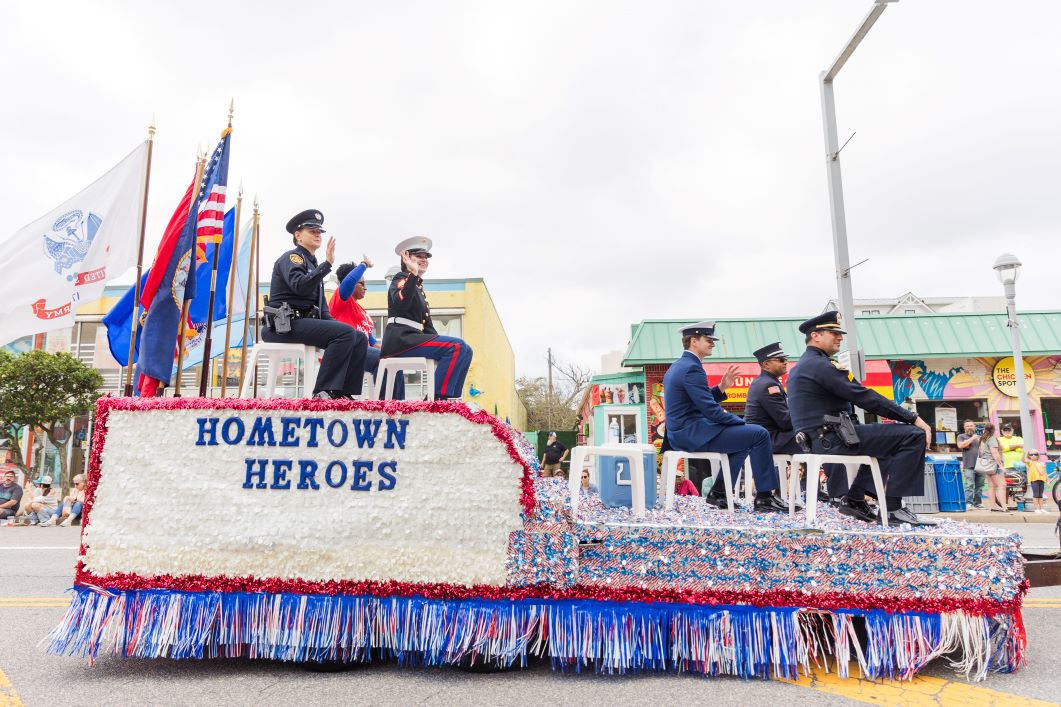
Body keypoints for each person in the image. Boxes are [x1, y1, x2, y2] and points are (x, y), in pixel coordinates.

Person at [786, 312, 933, 526]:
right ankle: (893, 508)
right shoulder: (822, 366)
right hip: (833, 439)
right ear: (815, 336)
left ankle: (855, 499)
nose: (839, 337)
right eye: (833, 333)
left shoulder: (802, 366)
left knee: (886, 443)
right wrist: (912, 418)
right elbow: (865, 396)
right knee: (913, 435)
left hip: (818, 440)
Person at [662, 321, 787, 513]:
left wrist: (721, 388)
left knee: (744, 440)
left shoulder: (679, 366)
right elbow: (710, 410)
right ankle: (764, 496)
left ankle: (719, 492)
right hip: (690, 434)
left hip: (682, 434)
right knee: (759, 434)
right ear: (693, 341)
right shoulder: (692, 368)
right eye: (708, 339)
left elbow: (694, 401)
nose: (713, 343)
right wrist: (741, 423)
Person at [261, 209, 368, 399]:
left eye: (319, 231)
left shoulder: (312, 264)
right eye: (312, 231)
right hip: (283, 325)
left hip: (300, 324)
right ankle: (323, 391)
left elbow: (323, 310)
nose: (317, 234)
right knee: (345, 334)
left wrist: (338, 326)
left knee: (357, 336)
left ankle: (343, 392)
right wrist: (327, 264)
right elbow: (300, 286)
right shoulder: (292, 258)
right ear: (298, 235)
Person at [744, 341, 845, 501]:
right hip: (769, 439)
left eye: (786, 359)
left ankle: (815, 491)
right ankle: (837, 494)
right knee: (823, 439)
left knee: (812, 437)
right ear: (766, 364)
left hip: (770, 437)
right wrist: (809, 414)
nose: (786, 363)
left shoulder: (769, 382)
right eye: (781, 360)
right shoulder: (768, 386)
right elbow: (785, 421)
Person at [380, 237, 473, 400]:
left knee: (465, 349)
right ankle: (436, 398)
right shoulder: (401, 278)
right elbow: (401, 303)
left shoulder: (418, 286)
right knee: (456, 347)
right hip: (400, 339)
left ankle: (449, 399)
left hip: (413, 338)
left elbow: (426, 325)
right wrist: (413, 274)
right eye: (419, 256)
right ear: (406, 258)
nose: (424, 260)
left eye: (426, 257)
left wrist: (440, 340)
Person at [328, 255, 404, 398]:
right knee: (384, 360)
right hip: (345, 352)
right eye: (361, 284)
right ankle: (384, 407)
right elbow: (348, 282)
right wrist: (363, 265)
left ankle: (399, 406)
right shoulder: (341, 299)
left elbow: (373, 343)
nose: (366, 287)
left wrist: (394, 349)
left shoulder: (363, 313)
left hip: (363, 350)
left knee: (394, 358)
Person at [976, 423, 1007, 513]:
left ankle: (993, 506)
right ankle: (1004, 507)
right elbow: (995, 453)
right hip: (994, 465)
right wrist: (1000, 465)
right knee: (1002, 485)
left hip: (987, 465)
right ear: (994, 430)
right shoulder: (992, 438)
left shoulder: (982, 439)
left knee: (991, 486)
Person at [956, 420, 985, 510]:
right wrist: (972, 438)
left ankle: (978, 503)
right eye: (967, 426)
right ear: (964, 428)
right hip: (969, 465)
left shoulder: (980, 437)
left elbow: (985, 449)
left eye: (971, 426)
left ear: (974, 427)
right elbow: (960, 446)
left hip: (981, 465)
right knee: (969, 485)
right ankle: (968, 503)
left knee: (979, 486)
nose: (969, 427)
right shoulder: (961, 436)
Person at [1025, 449, 1048, 514]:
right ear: (1029, 456)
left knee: (1040, 495)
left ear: (1038, 456)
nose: (1033, 456)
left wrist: (1047, 481)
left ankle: (1041, 508)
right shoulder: (1030, 462)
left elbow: (1045, 472)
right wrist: (1025, 453)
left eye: (1036, 454)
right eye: (1031, 454)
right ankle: (1036, 509)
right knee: (1036, 495)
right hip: (1034, 480)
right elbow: (1024, 460)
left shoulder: (1042, 463)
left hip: (1041, 480)